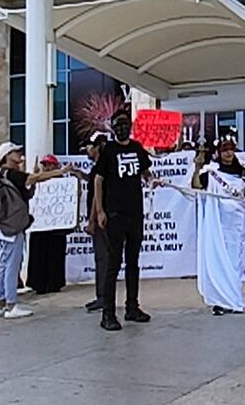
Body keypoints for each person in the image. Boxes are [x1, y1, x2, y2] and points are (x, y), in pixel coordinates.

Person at [92, 111, 162, 331]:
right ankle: (108, 313)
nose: (122, 128)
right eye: (118, 125)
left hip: (135, 213)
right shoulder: (108, 151)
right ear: (113, 128)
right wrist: (100, 211)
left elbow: (145, 171)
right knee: (113, 264)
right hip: (115, 214)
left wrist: (152, 180)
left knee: (133, 262)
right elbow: (98, 181)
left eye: (125, 124)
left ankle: (132, 306)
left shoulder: (137, 148)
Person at [0, 142, 69, 319]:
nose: (19, 154)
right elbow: (32, 179)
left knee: (5, 263)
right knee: (12, 264)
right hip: (13, 226)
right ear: (7, 156)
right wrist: (58, 172)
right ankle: (11, 304)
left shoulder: (1, 176)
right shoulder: (12, 174)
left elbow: (27, 190)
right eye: (15, 152)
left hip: (4, 225)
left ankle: (1, 303)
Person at [191, 138, 245, 316]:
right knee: (218, 260)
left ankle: (233, 300)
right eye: (225, 149)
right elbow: (197, 185)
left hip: (235, 224)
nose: (228, 153)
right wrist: (197, 167)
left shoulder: (243, 172)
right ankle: (220, 301)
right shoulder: (212, 172)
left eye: (231, 149)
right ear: (219, 152)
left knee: (233, 262)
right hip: (218, 224)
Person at [26, 154, 73, 295]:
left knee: (55, 254)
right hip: (39, 225)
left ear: (55, 166)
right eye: (44, 165)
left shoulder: (64, 184)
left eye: (49, 165)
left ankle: (54, 283)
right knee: (38, 255)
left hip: (56, 227)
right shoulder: (37, 180)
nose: (46, 168)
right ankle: (38, 283)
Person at [81, 133, 109, 312]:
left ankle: (104, 296)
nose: (88, 150)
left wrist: (93, 218)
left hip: (101, 221)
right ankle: (103, 295)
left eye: (90, 146)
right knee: (103, 258)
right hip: (103, 218)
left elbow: (95, 198)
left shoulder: (102, 168)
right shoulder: (99, 167)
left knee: (103, 258)